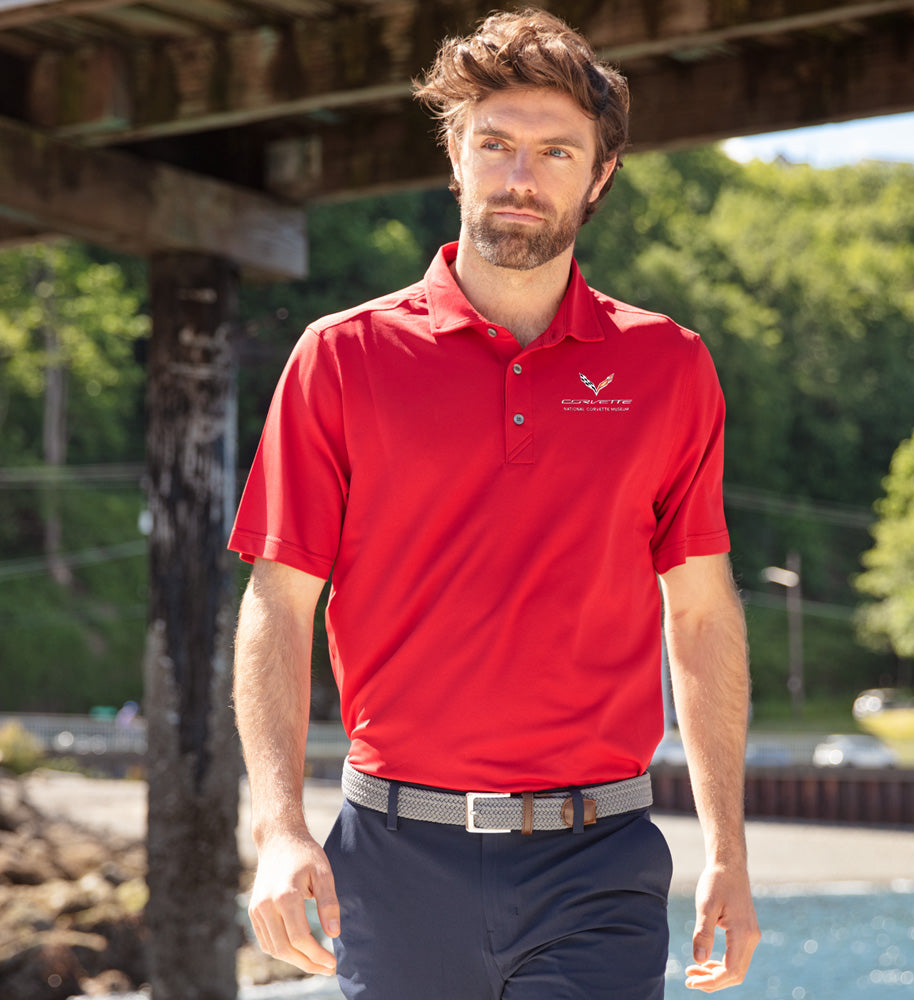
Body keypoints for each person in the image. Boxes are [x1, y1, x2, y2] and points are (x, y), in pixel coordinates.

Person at [230, 8, 759, 998]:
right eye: (495, 145)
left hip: (596, 860)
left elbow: (699, 612)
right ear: (455, 156)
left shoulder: (668, 367)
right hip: (392, 860)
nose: (521, 177)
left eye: (556, 151)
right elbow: (277, 601)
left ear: (599, 176)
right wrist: (278, 826)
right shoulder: (342, 357)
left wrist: (726, 849)